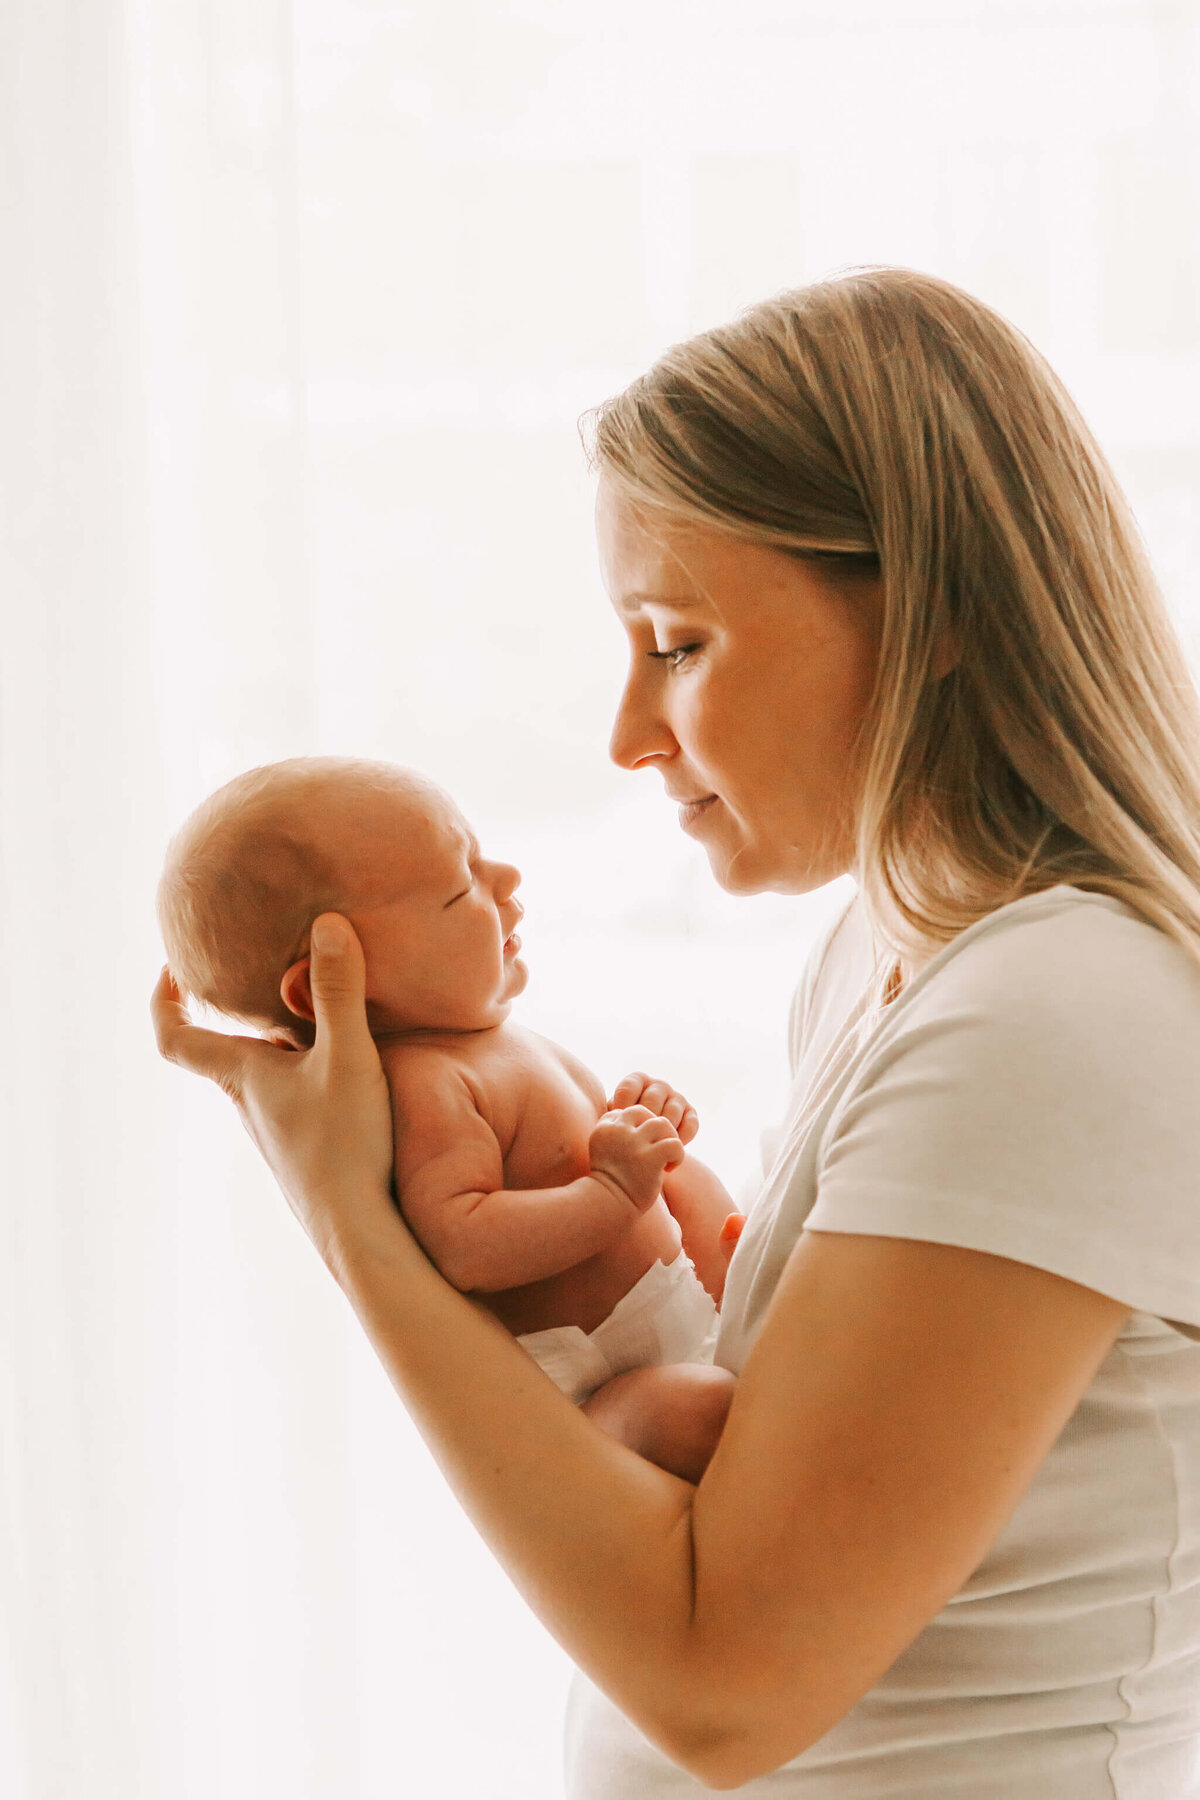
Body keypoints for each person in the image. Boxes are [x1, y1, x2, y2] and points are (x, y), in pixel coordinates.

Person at [153, 266, 1200, 1797]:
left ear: (929, 617)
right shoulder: (889, 957)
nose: (630, 734)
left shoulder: (1051, 1015)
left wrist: (358, 1230)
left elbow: (725, 1685)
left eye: (678, 641)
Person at [155, 757, 741, 1479]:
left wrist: (643, 1122)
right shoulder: (423, 1083)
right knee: (703, 1412)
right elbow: (467, 1243)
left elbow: (583, 1147)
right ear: (335, 984)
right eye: (462, 887)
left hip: (680, 1295)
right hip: (609, 1381)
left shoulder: (496, 1037)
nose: (505, 881)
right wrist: (614, 1192)